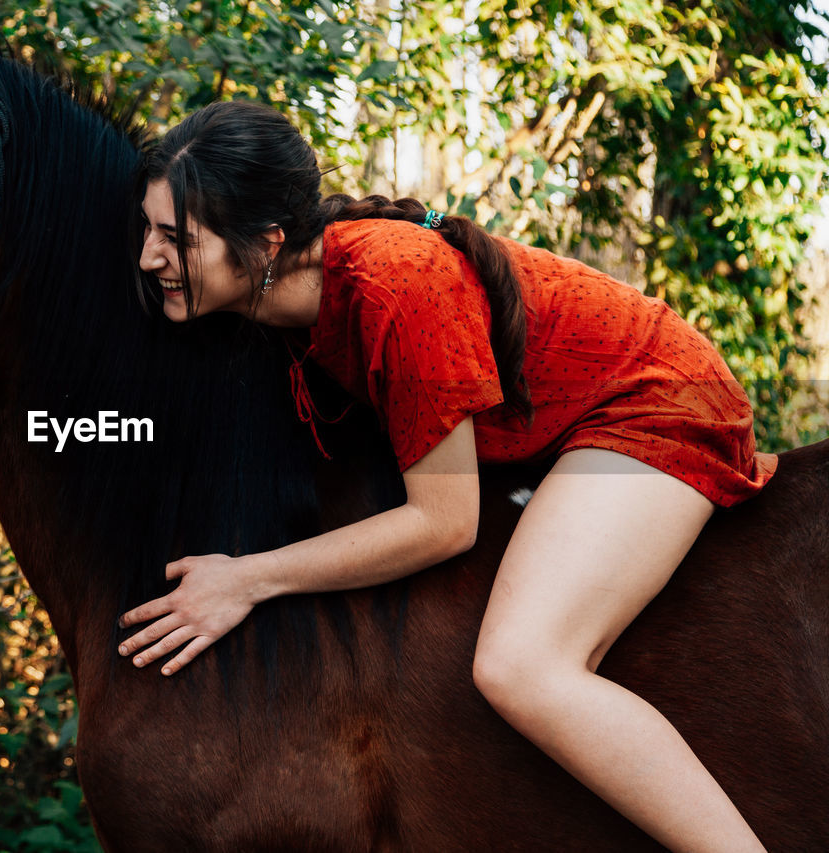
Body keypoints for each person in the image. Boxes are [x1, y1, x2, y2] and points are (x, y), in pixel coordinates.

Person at [118, 100, 772, 852]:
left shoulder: (397, 284)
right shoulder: (278, 292)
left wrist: (248, 577)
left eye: (176, 239)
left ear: (264, 244)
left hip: (656, 399)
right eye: (148, 229)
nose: (148, 257)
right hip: (561, 425)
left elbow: (445, 521)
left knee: (522, 665)